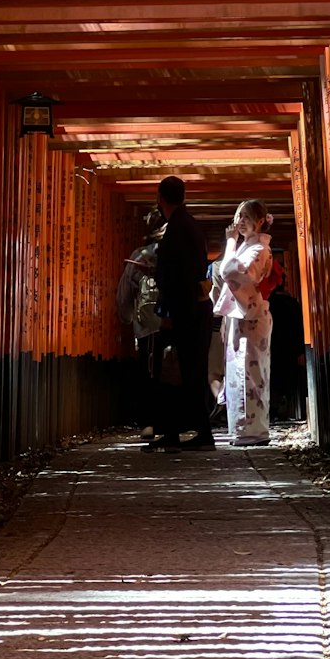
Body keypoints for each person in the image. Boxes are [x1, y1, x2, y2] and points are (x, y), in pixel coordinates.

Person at [147, 175, 215, 452]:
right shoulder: (189, 226)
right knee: (184, 371)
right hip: (194, 307)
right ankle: (178, 432)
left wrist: (168, 311)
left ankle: (195, 434)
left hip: (185, 310)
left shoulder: (177, 229)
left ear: (160, 198)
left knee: (181, 371)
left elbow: (177, 276)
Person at [211, 199, 273, 447]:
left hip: (252, 316)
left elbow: (230, 272)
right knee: (238, 374)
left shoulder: (258, 250)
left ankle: (254, 431)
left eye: (247, 217)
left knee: (251, 373)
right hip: (240, 316)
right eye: (239, 216)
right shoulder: (247, 248)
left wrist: (229, 242)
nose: (241, 221)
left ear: (260, 222)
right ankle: (241, 429)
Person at [116, 212, 164, 437]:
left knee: (147, 371)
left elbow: (126, 291)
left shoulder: (139, 255)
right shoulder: (175, 252)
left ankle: (150, 421)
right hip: (170, 322)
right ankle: (170, 419)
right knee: (170, 371)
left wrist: (126, 317)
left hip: (145, 325)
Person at [268, 282, 306, 422]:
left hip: (272, 345)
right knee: (286, 376)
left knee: (272, 377)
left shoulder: (266, 303)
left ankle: (273, 406)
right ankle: (283, 402)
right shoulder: (291, 302)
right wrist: (300, 348)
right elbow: (298, 326)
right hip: (288, 345)